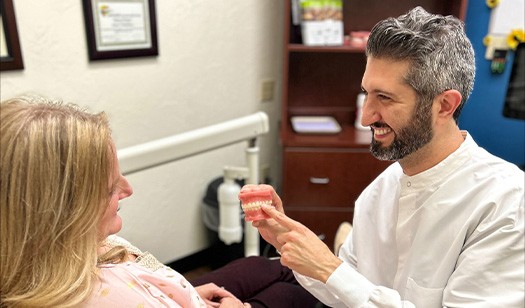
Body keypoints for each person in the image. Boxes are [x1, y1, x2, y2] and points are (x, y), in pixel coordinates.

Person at [248, 6, 525, 308]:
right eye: (366, 93)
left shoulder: (506, 204)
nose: (366, 117)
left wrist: (331, 269)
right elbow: (347, 294)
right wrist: (288, 242)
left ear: (445, 105)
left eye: (385, 97)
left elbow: (344, 281)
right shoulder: (380, 191)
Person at [0, 95, 318, 307]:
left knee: (260, 265)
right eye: (111, 188)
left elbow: (143, 263)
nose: (127, 189)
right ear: (64, 210)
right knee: (294, 290)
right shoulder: (109, 297)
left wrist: (183, 290)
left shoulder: (93, 247)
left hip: (170, 289)